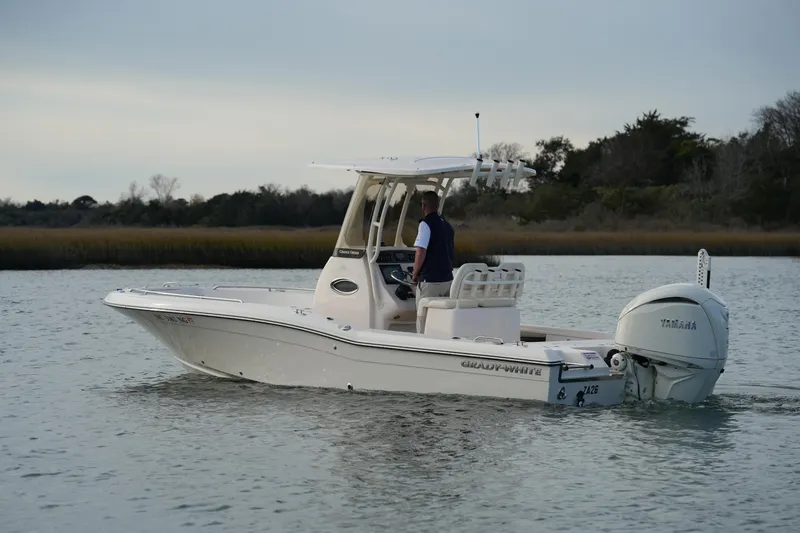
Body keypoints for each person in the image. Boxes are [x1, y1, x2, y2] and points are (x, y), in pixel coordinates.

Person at [411, 190, 455, 333]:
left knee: (423, 317)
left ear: (423, 205)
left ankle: (422, 343)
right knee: (441, 318)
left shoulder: (425, 224)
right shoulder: (447, 225)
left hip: (430, 281)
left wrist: (415, 274)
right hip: (448, 280)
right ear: (438, 205)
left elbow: (420, 251)